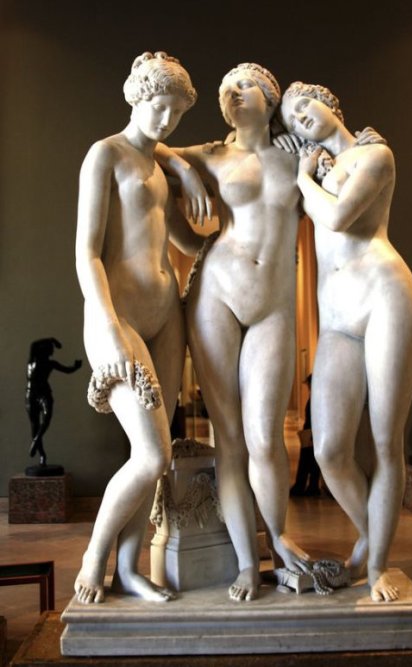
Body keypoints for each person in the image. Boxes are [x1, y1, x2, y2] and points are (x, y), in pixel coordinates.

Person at [155, 63, 313, 602]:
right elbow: (151, 148)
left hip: (274, 306)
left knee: (265, 437)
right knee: (230, 440)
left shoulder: (297, 154)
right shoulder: (212, 155)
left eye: (242, 85)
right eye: (224, 89)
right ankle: (249, 563)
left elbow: (346, 151)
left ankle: (279, 540)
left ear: (270, 97)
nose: (231, 94)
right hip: (216, 296)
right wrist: (186, 172)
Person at [278, 81, 412, 602]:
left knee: (386, 442)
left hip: (387, 298)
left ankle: (378, 564)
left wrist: (302, 175)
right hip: (338, 319)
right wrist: (294, 159)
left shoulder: (375, 155)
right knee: (329, 450)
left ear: (331, 103)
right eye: (291, 119)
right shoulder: (317, 167)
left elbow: (339, 217)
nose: (300, 117)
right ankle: (371, 536)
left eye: (304, 105)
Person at [74, 51, 208, 604]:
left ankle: (128, 570)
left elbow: (186, 240)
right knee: (152, 455)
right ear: (137, 97)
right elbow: (86, 253)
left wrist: (244, 230)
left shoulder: (159, 165)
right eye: (159, 107)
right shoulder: (104, 155)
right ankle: (94, 558)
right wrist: (106, 324)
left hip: (166, 316)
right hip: (120, 317)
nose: (167, 121)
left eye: (176, 112)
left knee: (158, 456)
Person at [25, 338, 82, 467]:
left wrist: (76, 367)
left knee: (46, 418)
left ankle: (36, 440)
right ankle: (42, 455)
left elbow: (67, 370)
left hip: (42, 394)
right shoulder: (33, 360)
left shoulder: (47, 363)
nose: (52, 352)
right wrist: (53, 339)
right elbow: (33, 343)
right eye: (50, 349)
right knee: (36, 424)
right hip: (32, 395)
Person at [290, 374, 321, 496]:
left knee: (305, 462)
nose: (308, 387)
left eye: (309, 384)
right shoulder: (316, 397)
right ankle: (312, 487)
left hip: (311, 434)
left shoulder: (316, 399)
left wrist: (312, 434)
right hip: (312, 434)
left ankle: (301, 487)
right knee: (312, 462)